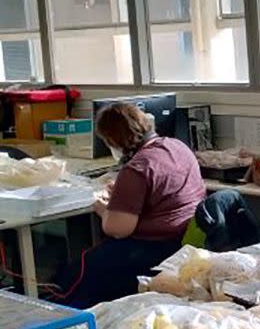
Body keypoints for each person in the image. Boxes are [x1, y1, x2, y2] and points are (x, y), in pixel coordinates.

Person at [54, 102, 206, 308]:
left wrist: (103, 209)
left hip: (154, 248)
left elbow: (117, 229)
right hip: (183, 240)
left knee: (77, 271)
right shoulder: (177, 147)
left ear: (113, 139)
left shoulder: (137, 168)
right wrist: (123, 195)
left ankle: (70, 319)